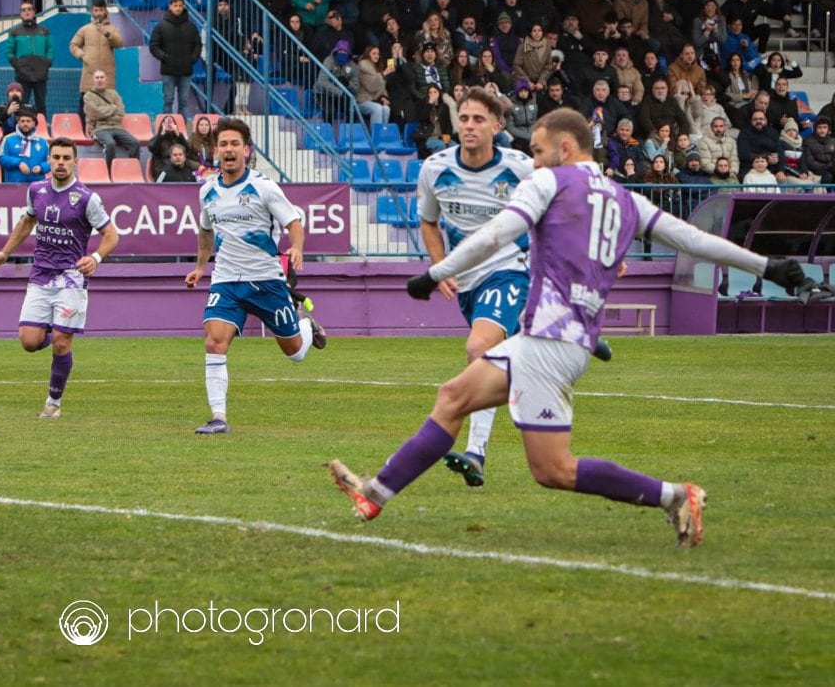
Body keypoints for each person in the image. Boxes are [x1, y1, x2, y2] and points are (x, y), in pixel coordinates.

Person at [328, 107, 807, 546]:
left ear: (564, 148)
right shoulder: (625, 199)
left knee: (552, 469)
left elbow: (496, 235)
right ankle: (376, 494)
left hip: (549, 343)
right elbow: (694, 239)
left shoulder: (547, 183)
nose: (533, 161)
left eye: (537, 151)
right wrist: (766, 266)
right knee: (453, 396)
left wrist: (433, 274)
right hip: (561, 340)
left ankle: (676, 495)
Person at [416, 88, 540, 485]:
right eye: (464, 118)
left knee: (478, 348)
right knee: (499, 360)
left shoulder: (520, 168)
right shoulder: (435, 169)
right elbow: (429, 222)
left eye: (478, 119)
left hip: (510, 270)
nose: (469, 126)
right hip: (467, 282)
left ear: (497, 126)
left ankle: (475, 452)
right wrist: (440, 268)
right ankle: (536, 382)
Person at [183, 117, 326, 435]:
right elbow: (206, 232)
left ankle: (305, 325)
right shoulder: (207, 191)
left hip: (266, 280)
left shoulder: (263, 187)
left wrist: (297, 248)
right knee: (214, 342)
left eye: (235, 144)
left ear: (246, 150)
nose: (229, 149)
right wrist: (200, 268)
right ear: (215, 150)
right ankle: (218, 418)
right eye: (223, 144)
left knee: (295, 353)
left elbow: (294, 222)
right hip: (227, 280)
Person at [0, 138, 118, 418]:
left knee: (61, 342)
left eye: (66, 158)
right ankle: (54, 330)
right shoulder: (36, 190)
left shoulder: (86, 198)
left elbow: (111, 235)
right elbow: (27, 221)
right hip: (41, 276)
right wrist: (5, 253)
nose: (60, 162)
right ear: (49, 160)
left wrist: (95, 258)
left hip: (71, 278)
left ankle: (53, 403)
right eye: (55, 157)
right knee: (29, 342)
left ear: (74, 162)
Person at [69, 0, 123, 123]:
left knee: (108, 103)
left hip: (107, 75)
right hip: (89, 73)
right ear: (92, 12)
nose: (98, 13)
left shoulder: (112, 29)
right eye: (96, 10)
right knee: (85, 104)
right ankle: (82, 131)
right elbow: (73, 45)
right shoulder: (85, 29)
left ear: (105, 11)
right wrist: (83, 56)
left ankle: (106, 129)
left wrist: (106, 32)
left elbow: (119, 43)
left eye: (101, 10)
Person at [149, 0, 201, 118]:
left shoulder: (191, 27)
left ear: (183, 7)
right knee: (168, 100)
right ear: (170, 7)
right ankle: (167, 129)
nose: (178, 8)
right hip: (168, 70)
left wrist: (192, 59)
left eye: (180, 6)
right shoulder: (161, 26)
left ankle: (182, 130)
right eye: (175, 5)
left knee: (184, 102)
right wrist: (165, 57)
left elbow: (198, 45)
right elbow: (154, 46)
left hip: (186, 70)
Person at [83, 69, 139, 172]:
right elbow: (95, 114)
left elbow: (121, 112)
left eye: (102, 77)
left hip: (117, 127)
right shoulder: (88, 96)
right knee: (110, 143)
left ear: (106, 79)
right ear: (93, 80)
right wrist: (113, 108)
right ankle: (110, 171)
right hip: (100, 129)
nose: (100, 80)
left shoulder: (114, 94)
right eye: (97, 77)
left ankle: (132, 171)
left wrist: (104, 112)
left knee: (134, 143)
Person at [5, 0, 53, 116]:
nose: (27, 12)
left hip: (41, 75)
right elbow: (9, 52)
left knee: (41, 105)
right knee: (21, 105)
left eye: (29, 9)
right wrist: (18, 65)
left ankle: (42, 128)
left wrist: (46, 63)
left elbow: (50, 49)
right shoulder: (14, 31)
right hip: (22, 75)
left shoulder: (44, 30)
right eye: (23, 10)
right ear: (20, 14)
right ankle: (19, 128)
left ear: (34, 12)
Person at [0, 104, 49, 184]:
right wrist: (18, 163)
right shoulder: (8, 139)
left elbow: (51, 161)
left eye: (28, 121)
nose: (25, 123)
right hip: (13, 186)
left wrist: (41, 167)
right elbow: (1, 158)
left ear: (34, 123)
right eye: (22, 121)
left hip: (37, 187)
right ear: (18, 122)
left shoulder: (42, 142)